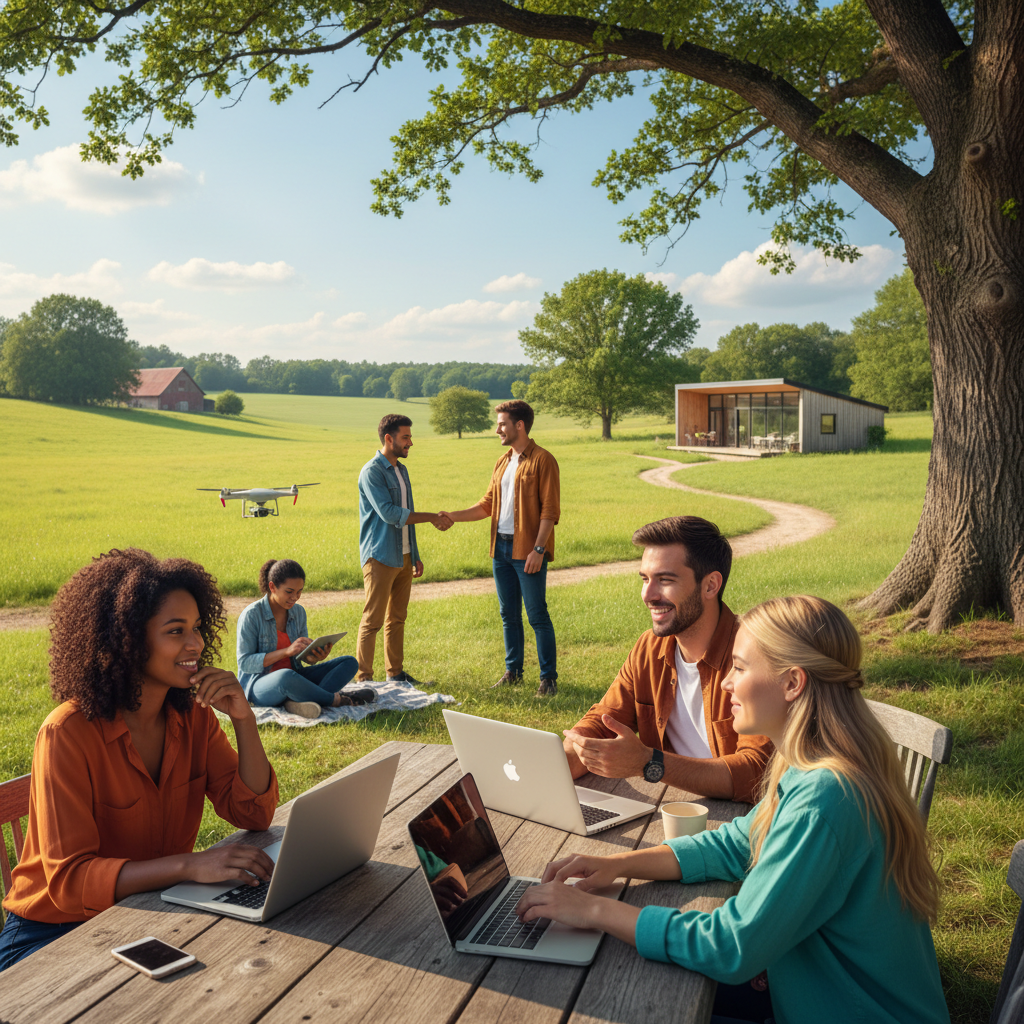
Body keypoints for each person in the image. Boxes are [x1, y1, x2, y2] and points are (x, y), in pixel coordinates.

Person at [516, 595, 950, 1024]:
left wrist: (593, 910)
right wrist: (618, 865)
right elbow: (736, 842)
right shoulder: (812, 764)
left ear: (792, 683)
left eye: (739, 669)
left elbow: (730, 946)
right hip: (808, 989)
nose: (725, 683)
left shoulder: (825, 798)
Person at [0, 548, 279, 972]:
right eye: (175, 631)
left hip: (148, 912)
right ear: (127, 641)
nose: (196, 644)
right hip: (52, 932)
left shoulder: (194, 718)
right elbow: (70, 884)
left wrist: (244, 720)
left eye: (197, 628)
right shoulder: (68, 733)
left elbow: (254, 813)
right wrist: (190, 865)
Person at [563, 516, 771, 803]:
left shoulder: (754, 653)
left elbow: (755, 772)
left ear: (710, 585)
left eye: (665, 580)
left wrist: (649, 763)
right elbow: (602, 721)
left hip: (739, 820)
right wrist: (569, 753)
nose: (647, 595)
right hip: (673, 809)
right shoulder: (649, 648)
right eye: (645, 579)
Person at [441, 400, 560, 696]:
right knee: (508, 614)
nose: (497, 430)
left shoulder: (543, 460)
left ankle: (548, 679)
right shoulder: (503, 461)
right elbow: (487, 505)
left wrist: (538, 550)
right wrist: (452, 516)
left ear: (519, 425)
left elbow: (550, 511)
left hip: (527, 552)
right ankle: (513, 672)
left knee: (537, 615)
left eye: (502, 424)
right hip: (501, 549)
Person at [356, 414, 451, 685]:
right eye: (405, 437)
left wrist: (416, 554)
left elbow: (406, 515)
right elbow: (390, 514)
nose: (411, 442)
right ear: (389, 438)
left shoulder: (402, 469)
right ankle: (364, 679)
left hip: (404, 555)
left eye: (410, 436)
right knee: (372, 619)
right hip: (380, 555)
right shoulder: (372, 471)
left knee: (397, 617)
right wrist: (433, 516)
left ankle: (395, 675)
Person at [236, 558, 375, 719]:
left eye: (299, 591)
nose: (295, 597)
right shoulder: (251, 615)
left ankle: (298, 700)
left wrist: (314, 656)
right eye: (289, 591)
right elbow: (245, 663)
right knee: (285, 676)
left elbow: (302, 659)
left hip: (296, 677)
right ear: (272, 587)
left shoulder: (298, 612)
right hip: (261, 685)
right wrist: (286, 652)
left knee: (349, 663)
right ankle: (336, 699)